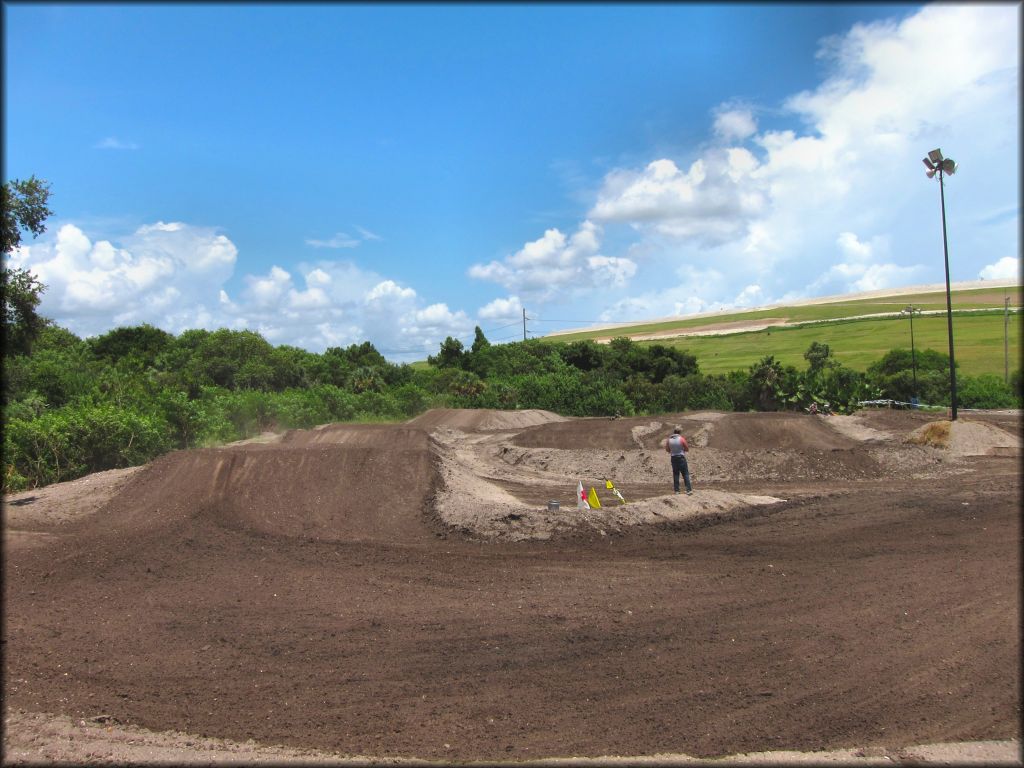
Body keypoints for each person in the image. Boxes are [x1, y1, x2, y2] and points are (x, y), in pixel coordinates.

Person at [663, 426, 693, 495]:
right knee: (685, 473)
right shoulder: (681, 439)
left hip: (673, 457)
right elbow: (687, 448)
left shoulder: (669, 440)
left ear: (674, 432)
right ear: (679, 432)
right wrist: (682, 449)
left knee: (676, 474)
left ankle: (677, 491)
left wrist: (673, 450)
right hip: (681, 457)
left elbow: (667, 449)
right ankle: (688, 490)